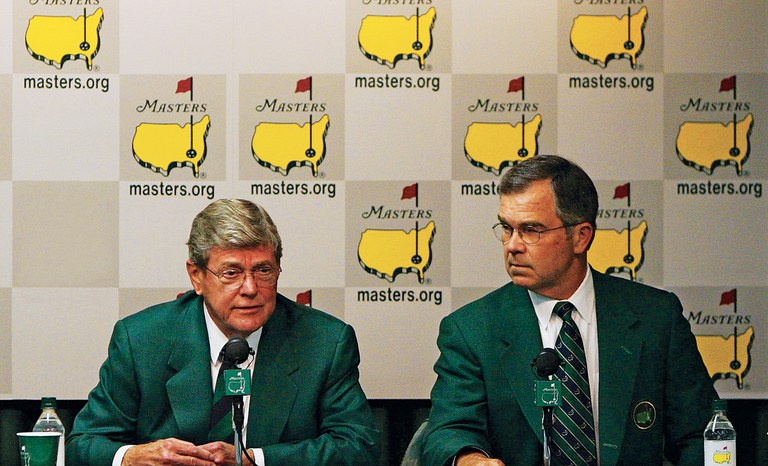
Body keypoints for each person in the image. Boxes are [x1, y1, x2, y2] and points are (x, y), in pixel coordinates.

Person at [421, 155, 716, 466]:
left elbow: (700, 432)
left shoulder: (656, 316)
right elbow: (448, 431)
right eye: (507, 228)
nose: (512, 245)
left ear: (581, 237)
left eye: (531, 230)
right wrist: (470, 459)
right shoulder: (472, 329)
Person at [67, 199, 379, 466]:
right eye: (231, 273)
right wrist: (133, 457)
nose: (250, 288)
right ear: (196, 276)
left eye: (263, 270)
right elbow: (85, 444)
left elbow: (358, 446)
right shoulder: (142, 339)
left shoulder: (324, 342)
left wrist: (255, 460)